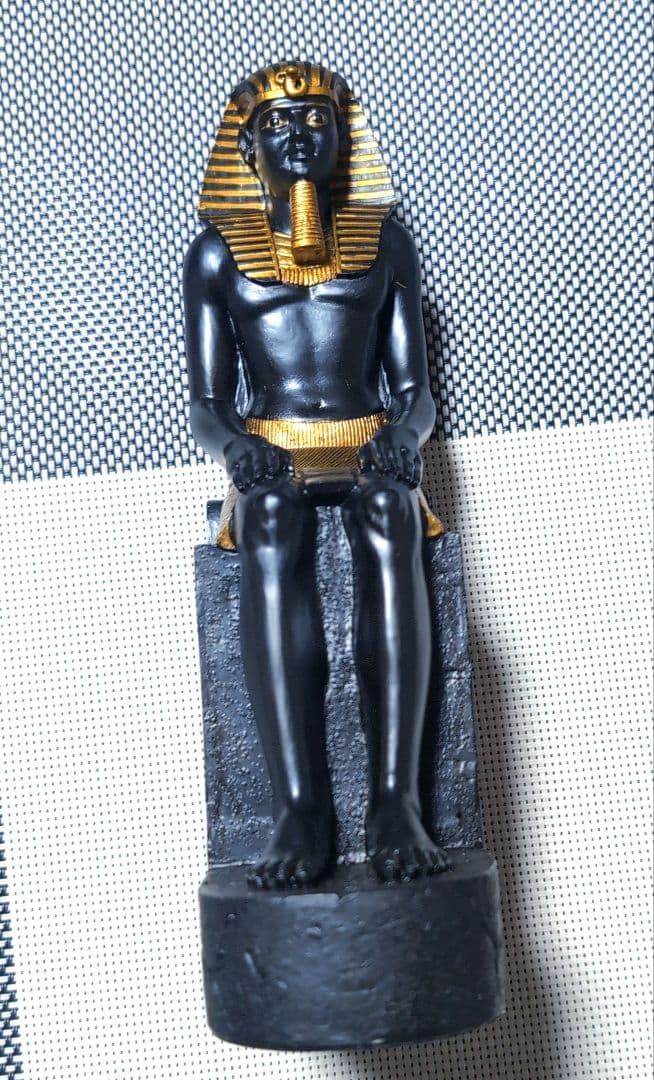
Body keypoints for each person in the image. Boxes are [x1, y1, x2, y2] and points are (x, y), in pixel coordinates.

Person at [184, 61, 449, 888]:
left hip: (367, 435)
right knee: (268, 519)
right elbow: (206, 404)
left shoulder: (384, 239)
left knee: (390, 512)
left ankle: (396, 800)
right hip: (271, 441)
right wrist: (235, 449)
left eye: (315, 119)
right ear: (245, 148)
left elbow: (415, 393)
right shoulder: (217, 253)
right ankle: (300, 807)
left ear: (343, 137)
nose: (298, 134)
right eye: (277, 122)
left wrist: (404, 435)